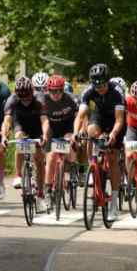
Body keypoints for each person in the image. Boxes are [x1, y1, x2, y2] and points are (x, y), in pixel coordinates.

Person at [74, 63, 126, 221]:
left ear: (107, 81)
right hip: (100, 116)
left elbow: (119, 120)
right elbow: (81, 115)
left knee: (113, 157)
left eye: (102, 85)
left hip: (116, 120)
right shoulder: (88, 91)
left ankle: (114, 204)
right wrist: (76, 133)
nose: (100, 89)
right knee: (90, 132)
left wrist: (113, 134)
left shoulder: (117, 92)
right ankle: (93, 164)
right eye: (96, 86)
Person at [1, 76, 49, 213]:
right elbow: (7, 121)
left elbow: (45, 120)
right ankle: (18, 175)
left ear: (32, 92)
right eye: (22, 98)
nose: (25, 101)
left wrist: (45, 135)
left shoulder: (39, 99)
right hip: (20, 124)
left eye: (28, 98)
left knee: (39, 160)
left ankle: (40, 196)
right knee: (19, 139)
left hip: (36, 125)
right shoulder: (12, 100)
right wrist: (4, 136)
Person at [42, 74, 79, 202]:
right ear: (48, 90)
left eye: (58, 91)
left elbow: (80, 117)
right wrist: (45, 135)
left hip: (67, 127)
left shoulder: (70, 100)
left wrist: (76, 133)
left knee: (70, 148)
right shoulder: (43, 100)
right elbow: (44, 121)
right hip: (52, 129)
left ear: (63, 90)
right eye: (52, 91)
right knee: (51, 156)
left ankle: (69, 170)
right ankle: (47, 189)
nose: (55, 94)